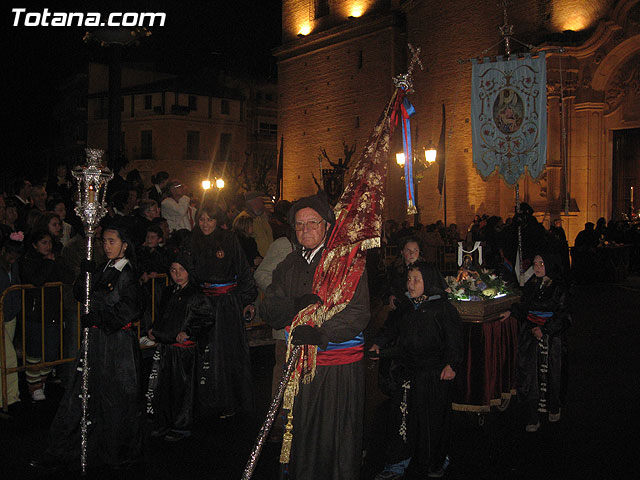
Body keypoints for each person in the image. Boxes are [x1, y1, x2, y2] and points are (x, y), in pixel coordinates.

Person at [260, 190, 370, 480]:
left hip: (337, 368)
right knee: (302, 432)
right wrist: (295, 305)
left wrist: (321, 334)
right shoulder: (288, 265)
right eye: (299, 224)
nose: (305, 229)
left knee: (334, 435)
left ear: (326, 226)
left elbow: (359, 313)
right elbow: (269, 308)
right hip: (300, 367)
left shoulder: (347, 265)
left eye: (312, 223)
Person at [29, 221, 144, 471]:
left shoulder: (128, 273)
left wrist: (101, 319)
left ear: (124, 245)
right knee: (81, 392)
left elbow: (131, 308)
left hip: (117, 346)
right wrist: (86, 273)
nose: (107, 245)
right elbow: (83, 294)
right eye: (105, 241)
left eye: (112, 241)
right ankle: (67, 448)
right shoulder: (104, 267)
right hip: (96, 341)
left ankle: (114, 451)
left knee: (115, 397)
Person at [370, 261, 463, 480]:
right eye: (409, 279)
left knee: (433, 421)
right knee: (402, 419)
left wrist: (452, 365)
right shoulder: (406, 307)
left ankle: (435, 462)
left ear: (428, 281)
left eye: (416, 279)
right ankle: (397, 463)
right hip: (408, 371)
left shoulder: (442, 308)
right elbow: (391, 329)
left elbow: (455, 340)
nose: (410, 284)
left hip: (434, 374)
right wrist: (379, 343)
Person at [188, 201, 257, 417]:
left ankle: (228, 401)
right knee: (201, 352)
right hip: (202, 303)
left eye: (209, 219)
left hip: (226, 304)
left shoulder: (229, 240)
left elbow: (243, 270)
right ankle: (202, 400)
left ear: (217, 220)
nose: (205, 223)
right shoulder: (193, 240)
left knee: (225, 354)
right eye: (201, 219)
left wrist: (247, 300)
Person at [146, 252, 214, 441]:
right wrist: (153, 328)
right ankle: (164, 422)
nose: (177, 274)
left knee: (183, 389)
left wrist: (190, 332)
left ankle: (181, 425)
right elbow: (161, 314)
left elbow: (206, 318)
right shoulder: (169, 292)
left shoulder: (196, 295)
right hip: (168, 347)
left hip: (184, 352)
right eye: (173, 270)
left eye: (181, 270)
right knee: (165, 387)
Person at [501, 252, 570, 432]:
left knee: (552, 373)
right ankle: (533, 415)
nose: (537, 267)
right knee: (529, 374)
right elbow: (524, 306)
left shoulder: (559, 288)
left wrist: (546, 329)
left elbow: (564, 315)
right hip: (530, 334)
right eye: (535, 263)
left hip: (551, 337)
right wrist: (513, 312)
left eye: (541, 263)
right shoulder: (532, 285)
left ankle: (554, 406)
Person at [19, 229, 73, 401]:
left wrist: (57, 262)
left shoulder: (55, 258)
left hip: (54, 312)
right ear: (35, 245)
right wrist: (48, 264)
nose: (48, 246)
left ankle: (42, 381)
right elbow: (36, 280)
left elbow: (68, 276)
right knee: (35, 351)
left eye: (49, 242)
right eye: (43, 243)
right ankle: (33, 385)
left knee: (50, 351)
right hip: (35, 313)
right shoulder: (28, 261)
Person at [0, 232, 24, 408]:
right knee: (8, 358)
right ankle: (10, 397)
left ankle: (6, 397)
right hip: (1, 316)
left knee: (4, 359)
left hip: (10, 316)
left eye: (16, 255)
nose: (13, 258)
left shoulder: (14, 267)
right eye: (10, 254)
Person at [235, 190, 273, 257]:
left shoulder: (262, 217)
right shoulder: (243, 219)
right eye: (260, 202)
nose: (263, 205)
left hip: (269, 258)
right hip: (257, 261)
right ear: (254, 203)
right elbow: (241, 244)